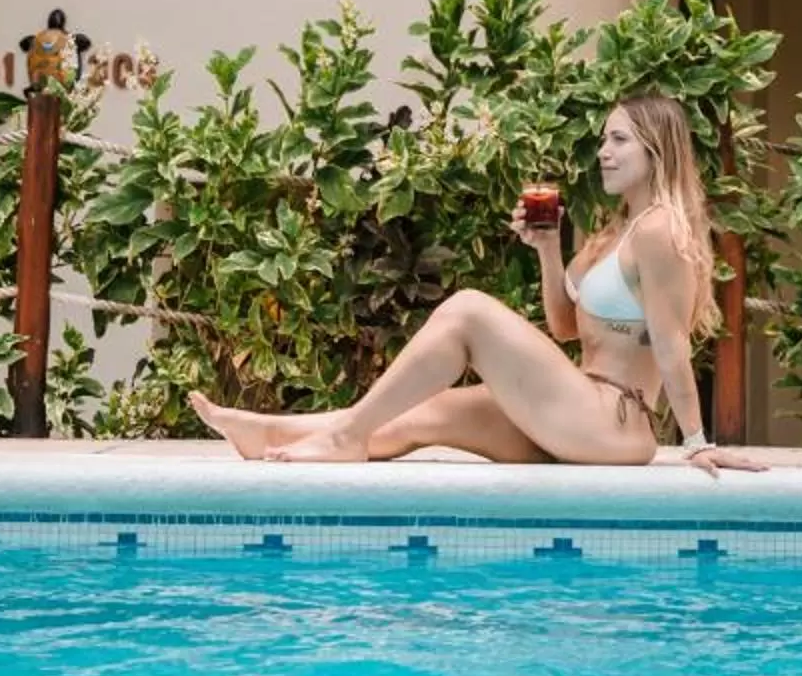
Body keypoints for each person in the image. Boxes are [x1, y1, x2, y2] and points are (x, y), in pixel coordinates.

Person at [189, 94, 766, 474]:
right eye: (603, 140)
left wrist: (696, 443)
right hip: (573, 407)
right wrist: (548, 251)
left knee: (466, 310)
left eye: (619, 141)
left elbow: (669, 345)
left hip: (612, 421)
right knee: (422, 415)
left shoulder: (660, 230)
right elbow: (566, 330)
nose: (604, 153)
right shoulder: (611, 231)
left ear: (656, 149)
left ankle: (340, 438)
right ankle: (269, 434)